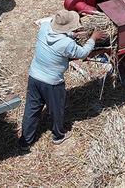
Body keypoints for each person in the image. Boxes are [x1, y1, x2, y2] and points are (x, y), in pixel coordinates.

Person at [18, 10, 106, 149]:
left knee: (32, 108)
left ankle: (25, 141)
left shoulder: (45, 27)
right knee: (56, 109)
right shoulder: (66, 44)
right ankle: (58, 136)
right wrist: (93, 38)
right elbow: (82, 53)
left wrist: (73, 34)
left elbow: (59, 35)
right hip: (52, 82)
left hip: (34, 76)